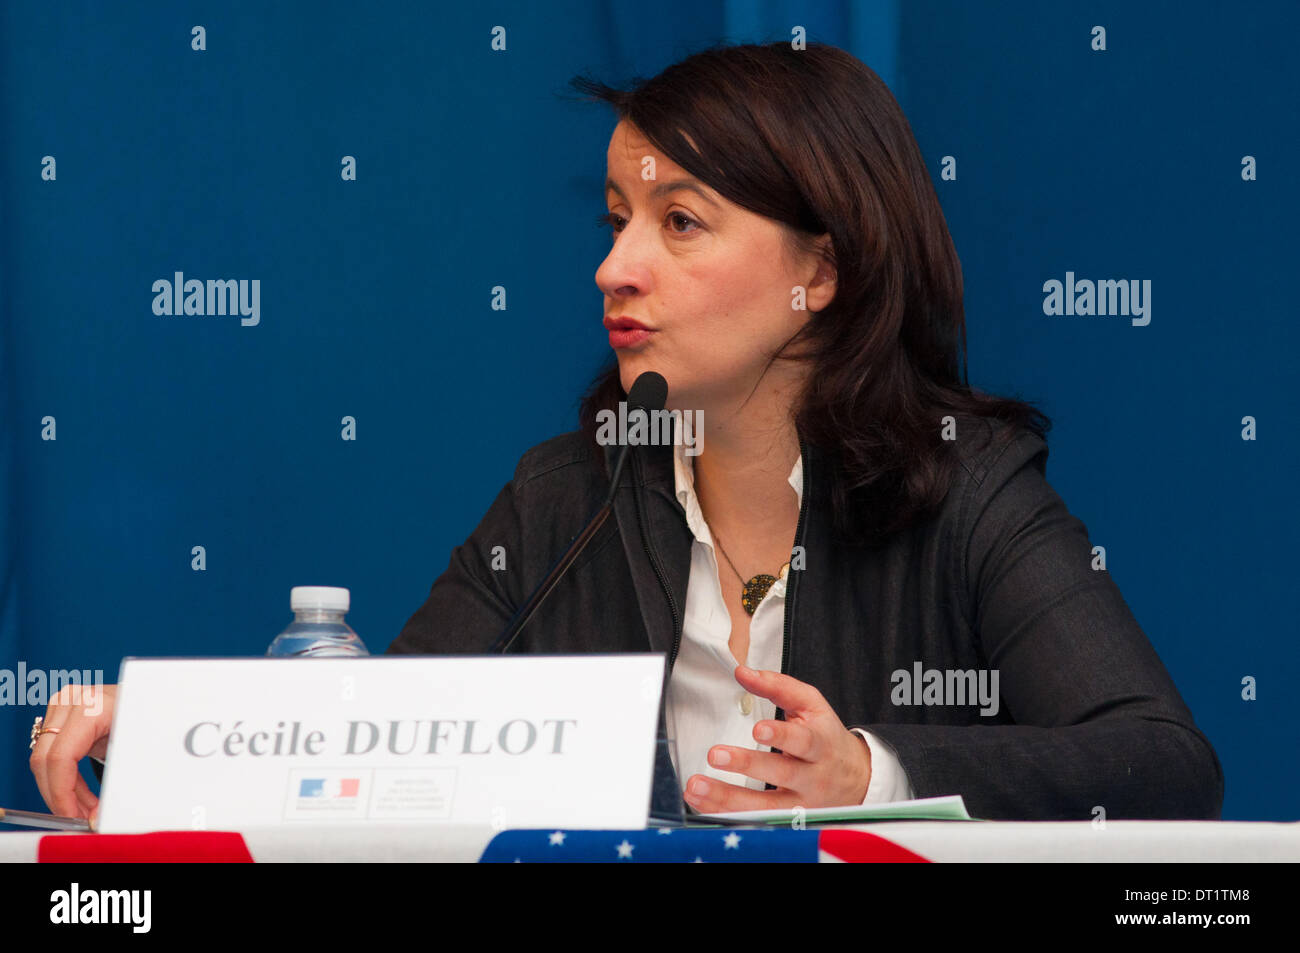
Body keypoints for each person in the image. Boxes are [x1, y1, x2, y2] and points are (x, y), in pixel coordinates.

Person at [29, 41, 1222, 825]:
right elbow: (376, 737)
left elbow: (1163, 764)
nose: (614, 266)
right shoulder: (568, 496)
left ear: (823, 268)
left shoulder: (969, 488)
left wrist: (872, 770)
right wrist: (179, 733)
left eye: (681, 221)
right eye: (614, 218)